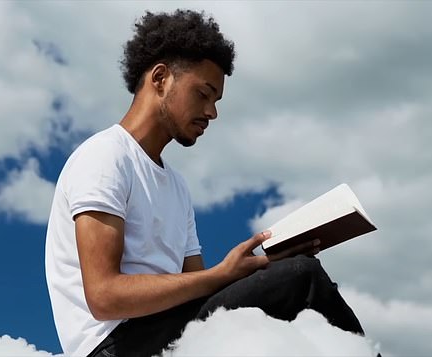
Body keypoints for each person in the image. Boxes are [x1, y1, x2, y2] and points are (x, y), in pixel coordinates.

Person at [45, 9, 364, 357]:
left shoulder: (177, 187)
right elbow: (104, 297)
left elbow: (202, 291)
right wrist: (233, 275)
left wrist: (261, 267)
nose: (212, 112)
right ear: (160, 78)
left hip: (165, 330)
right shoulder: (105, 157)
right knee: (302, 277)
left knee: (287, 289)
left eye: (216, 100)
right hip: (113, 345)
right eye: (203, 93)